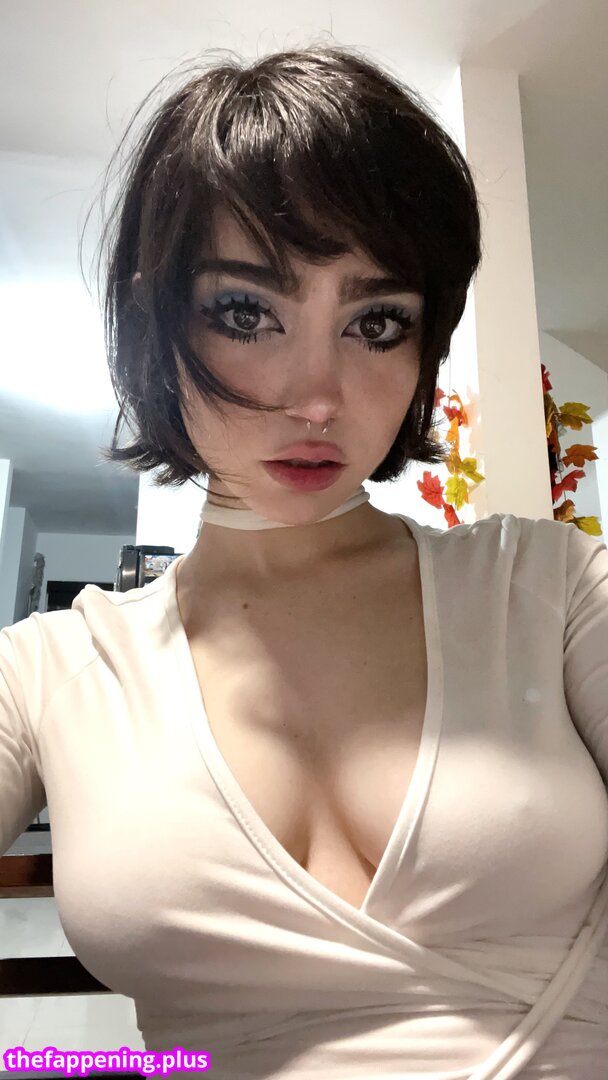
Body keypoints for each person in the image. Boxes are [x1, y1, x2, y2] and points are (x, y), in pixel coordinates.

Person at [1, 43, 607, 1080]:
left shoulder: (550, 589)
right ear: (155, 324)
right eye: (246, 313)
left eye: (377, 323)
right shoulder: (49, 671)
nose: (318, 396)